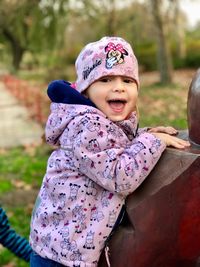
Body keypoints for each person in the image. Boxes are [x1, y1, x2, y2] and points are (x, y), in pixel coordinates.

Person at [29, 36, 190, 267]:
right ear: (86, 91)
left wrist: (147, 134)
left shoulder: (102, 123)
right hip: (61, 257)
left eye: (127, 79)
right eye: (105, 79)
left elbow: (114, 143)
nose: (118, 86)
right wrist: (151, 141)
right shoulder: (85, 125)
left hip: (71, 249)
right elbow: (119, 176)